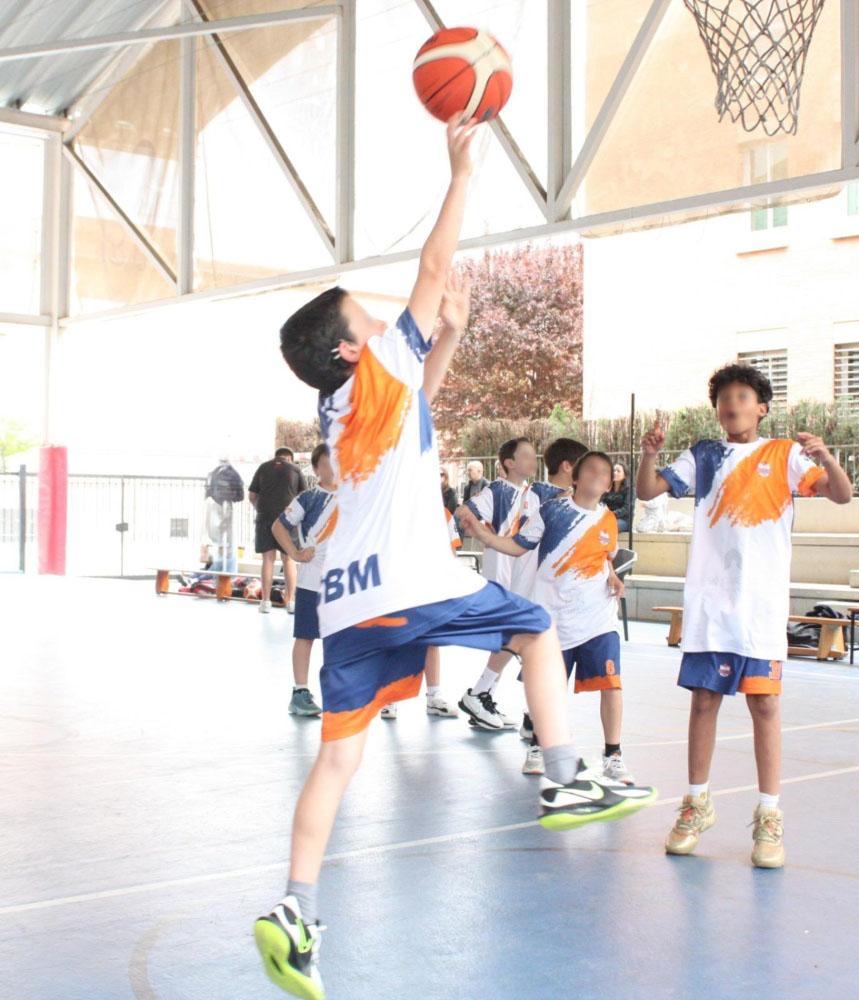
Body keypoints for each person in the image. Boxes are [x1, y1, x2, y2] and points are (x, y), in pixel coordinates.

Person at [253, 116, 656, 1000]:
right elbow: (434, 272)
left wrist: (455, 337)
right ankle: (562, 779)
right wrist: (462, 172)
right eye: (369, 314)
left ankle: (294, 906)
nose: (388, 313)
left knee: (337, 760)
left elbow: (424, 397)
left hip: (354, 613)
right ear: (353, 347)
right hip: (414, 583)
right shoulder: (375, 367)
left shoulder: (347, 410)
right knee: (538, 625)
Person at [636, 362, 852, 869]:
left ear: (761, 407)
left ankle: (770, 816)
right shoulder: (704, 455)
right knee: (705, 701)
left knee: (765, 709)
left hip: (760, 606)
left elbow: (841, 495)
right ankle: (695, 804)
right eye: (723, 397)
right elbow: (647, 492)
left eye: (741, 395)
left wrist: (827, 458)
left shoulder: (785, 455)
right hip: (711, 605)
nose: (731, 403)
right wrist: (648, 457)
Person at [459, 450, 635, 785]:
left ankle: (613, 753)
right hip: (555, 618)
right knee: (550, 688)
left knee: (612, 685)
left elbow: (606, 557)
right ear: (576, 478)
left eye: (606, 472)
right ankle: (539, 746)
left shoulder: (608, 520)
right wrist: (483, 536)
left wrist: (613, 576)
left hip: (597, 617)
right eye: (593, 469)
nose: (601, 474)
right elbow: (517, 545)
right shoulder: (552, 511)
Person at [459, 437, 588, 734]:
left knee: (527, 643)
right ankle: (484, 695)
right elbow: (465, 512)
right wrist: (483, 534)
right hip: (515, 578)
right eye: (586, 467)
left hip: (539, 581)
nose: (534, 461)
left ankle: (488, 696)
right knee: (523, 639)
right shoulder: (528, 492)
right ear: (570, 467)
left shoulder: (545, 495)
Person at [271, 443, 337, 719]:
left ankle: (338, 693)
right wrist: (296, 553)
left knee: (339, 638)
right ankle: (300, 692)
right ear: (316, 468)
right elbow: (278, 526)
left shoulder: (356, 499)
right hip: (312, 580)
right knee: (306, 635)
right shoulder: (309, 499)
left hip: (343, 583)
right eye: (328, 462)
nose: (335, 467)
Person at [380, 507, 462, 721]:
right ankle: (390, 697)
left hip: (432, 586)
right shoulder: (396, 508)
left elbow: (451, 551)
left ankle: (434, 696)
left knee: (432, 640)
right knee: (399, 639)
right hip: (400, 585)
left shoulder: (442, 512)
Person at [249, 447, 307, 614]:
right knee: (288, 559)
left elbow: (252, 495)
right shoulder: (295, 469)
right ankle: (292, 602)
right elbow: (303, 497)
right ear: (290, 458)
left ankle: (265, 602)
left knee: (268, 559)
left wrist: (260, 508)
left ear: (276, 457)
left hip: (265, 518)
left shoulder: (263, 467)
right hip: (288, 519)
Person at [603, 462, 633, 535]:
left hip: (623, 520)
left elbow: (627, 508)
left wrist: (611, 515)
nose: (615, 473)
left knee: (607, 526)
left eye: (618, 471)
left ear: (625, 475)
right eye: (613, 471)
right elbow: (600, 503)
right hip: (607, 518)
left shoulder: (629, 489)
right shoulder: (607, 488)